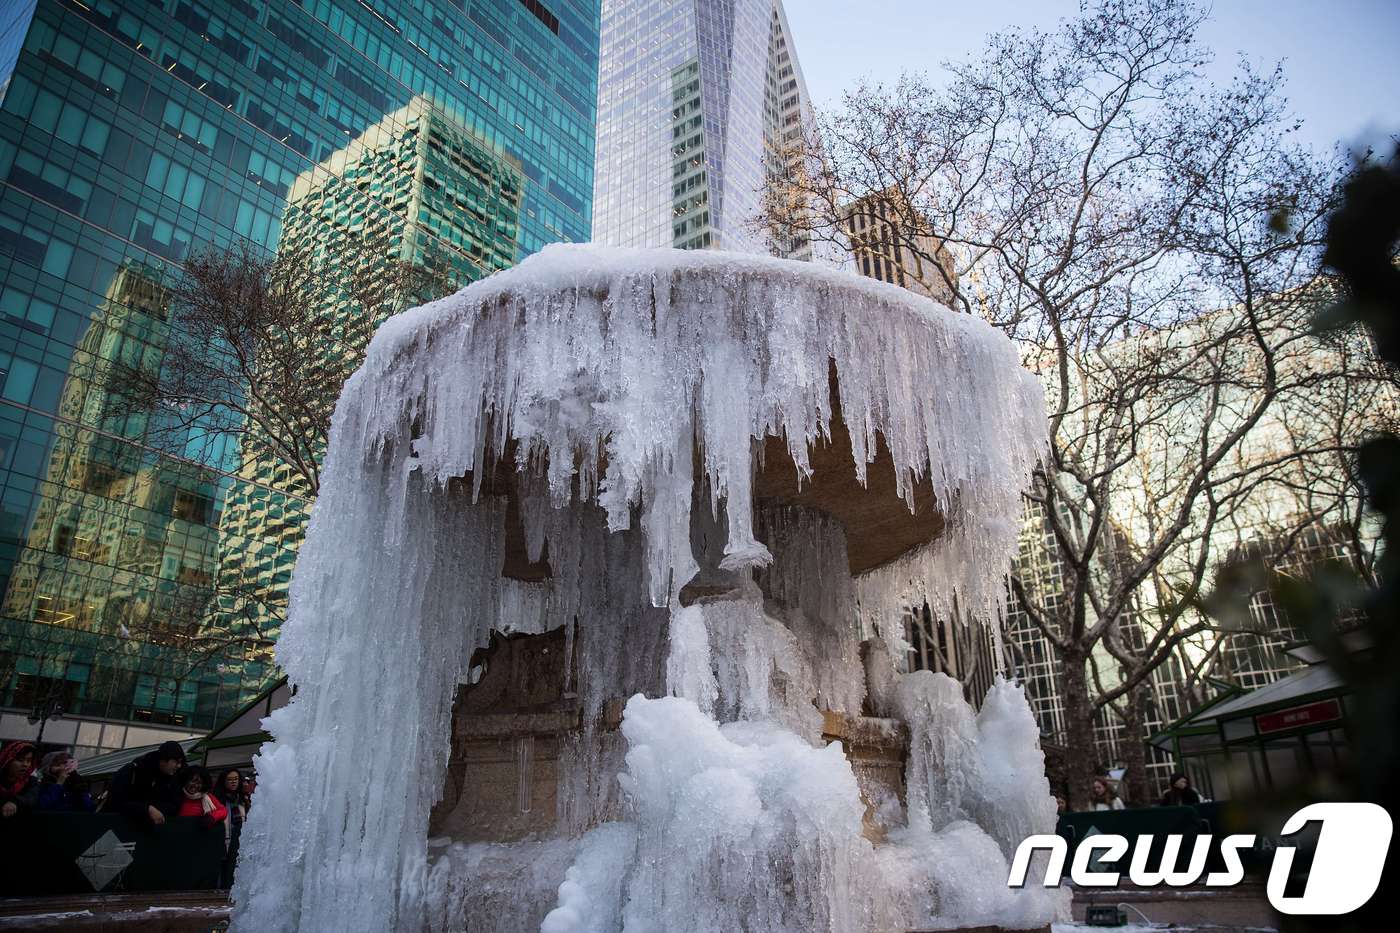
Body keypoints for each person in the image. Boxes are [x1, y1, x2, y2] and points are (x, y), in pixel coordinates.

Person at [106, 740, 186, 825]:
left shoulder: (173, 778)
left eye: (180, 762)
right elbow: (116, 802)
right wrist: (147, 809)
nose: (179, 766)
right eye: (176, 761)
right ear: (163, 759)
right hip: (120, 827)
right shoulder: (132, 771)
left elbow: (174, 806)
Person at [214, 768, 247, 887]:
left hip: (238, 840)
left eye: (236, 779)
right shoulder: (217, 799)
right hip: (223, 839)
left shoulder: (242, 799)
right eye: (230, 779)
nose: (233, 782)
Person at [0, 741, 38, 819]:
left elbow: (32, 797)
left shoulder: (31, 781)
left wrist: (15, 802)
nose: (25, 764)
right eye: (20, 760)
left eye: (28, 761)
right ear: (7, 760)